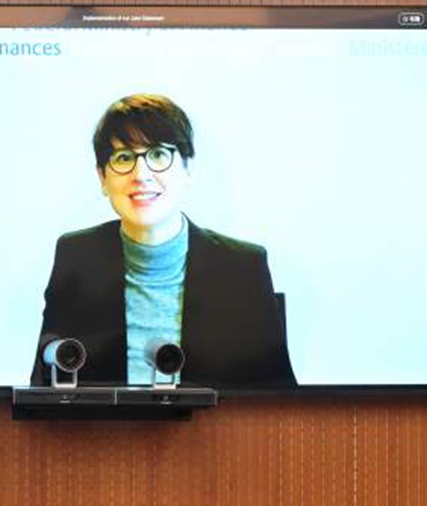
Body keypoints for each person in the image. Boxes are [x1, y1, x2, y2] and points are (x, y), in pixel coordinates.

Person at [31, 94, 295, 387]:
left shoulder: (242, 267)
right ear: (102, 178)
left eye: (157, 154)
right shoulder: (77, 257)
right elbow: (46, 390)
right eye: (123, 157)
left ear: (188, 168)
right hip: (103, 432)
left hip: (211, 433)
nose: (141, 174)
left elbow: (278, 401)